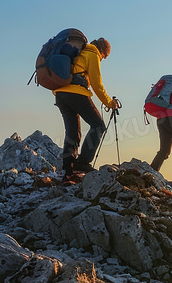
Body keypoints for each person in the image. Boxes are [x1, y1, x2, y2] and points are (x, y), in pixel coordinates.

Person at [53, 37, 119, 180]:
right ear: (102, 51)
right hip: (76, 93)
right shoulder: (93, 54)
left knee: (72, 131)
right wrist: (109, 103)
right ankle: (83, 163)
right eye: (105, 57)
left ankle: (68, 170)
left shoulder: (79, 53)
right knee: (98, 126)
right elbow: (97, 85)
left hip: (60, 94)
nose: (103, 59)